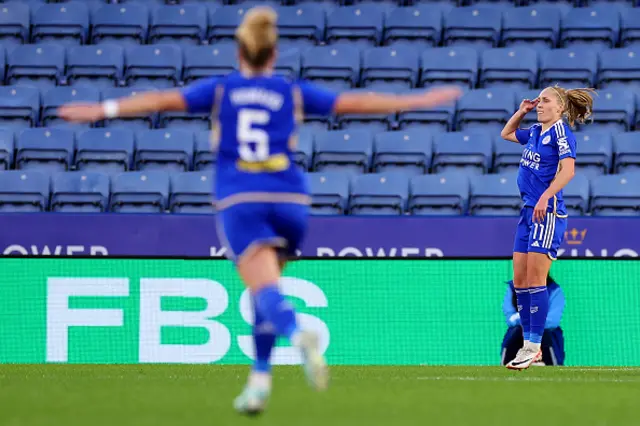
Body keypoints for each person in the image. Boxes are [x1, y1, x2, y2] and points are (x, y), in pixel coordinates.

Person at [58, 6, 462, 415]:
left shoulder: (221, 90)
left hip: (242, 200)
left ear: (240, 53)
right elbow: (352, 103)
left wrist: (102, 111)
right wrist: (415, 100)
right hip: (292, 200)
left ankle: (297, 332)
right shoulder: (292, 91)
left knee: (267, 294)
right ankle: (259, 382)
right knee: (264, 291)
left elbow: (161, 100)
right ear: (273, 54)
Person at [499, 85, 594, 370]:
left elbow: (568, 170)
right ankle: (529, 346)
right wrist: (521, 111)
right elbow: (506, 134)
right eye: (538, 100)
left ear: (560, 108)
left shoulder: (561, 133)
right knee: (521, 282)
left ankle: (533, 346)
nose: (540, 104)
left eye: (545, 101)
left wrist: (545, 196)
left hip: (547, 213)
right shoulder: (535, 132)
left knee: (537, 281)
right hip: (528, 212)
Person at [502, 274, 566, 366]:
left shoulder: (554, 290)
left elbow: (553, 321)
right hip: (519, 333)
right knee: (516, 331)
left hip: (546, 336)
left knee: (544, 333)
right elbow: (510, 319)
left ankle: (550, 363)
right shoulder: (513, 288)